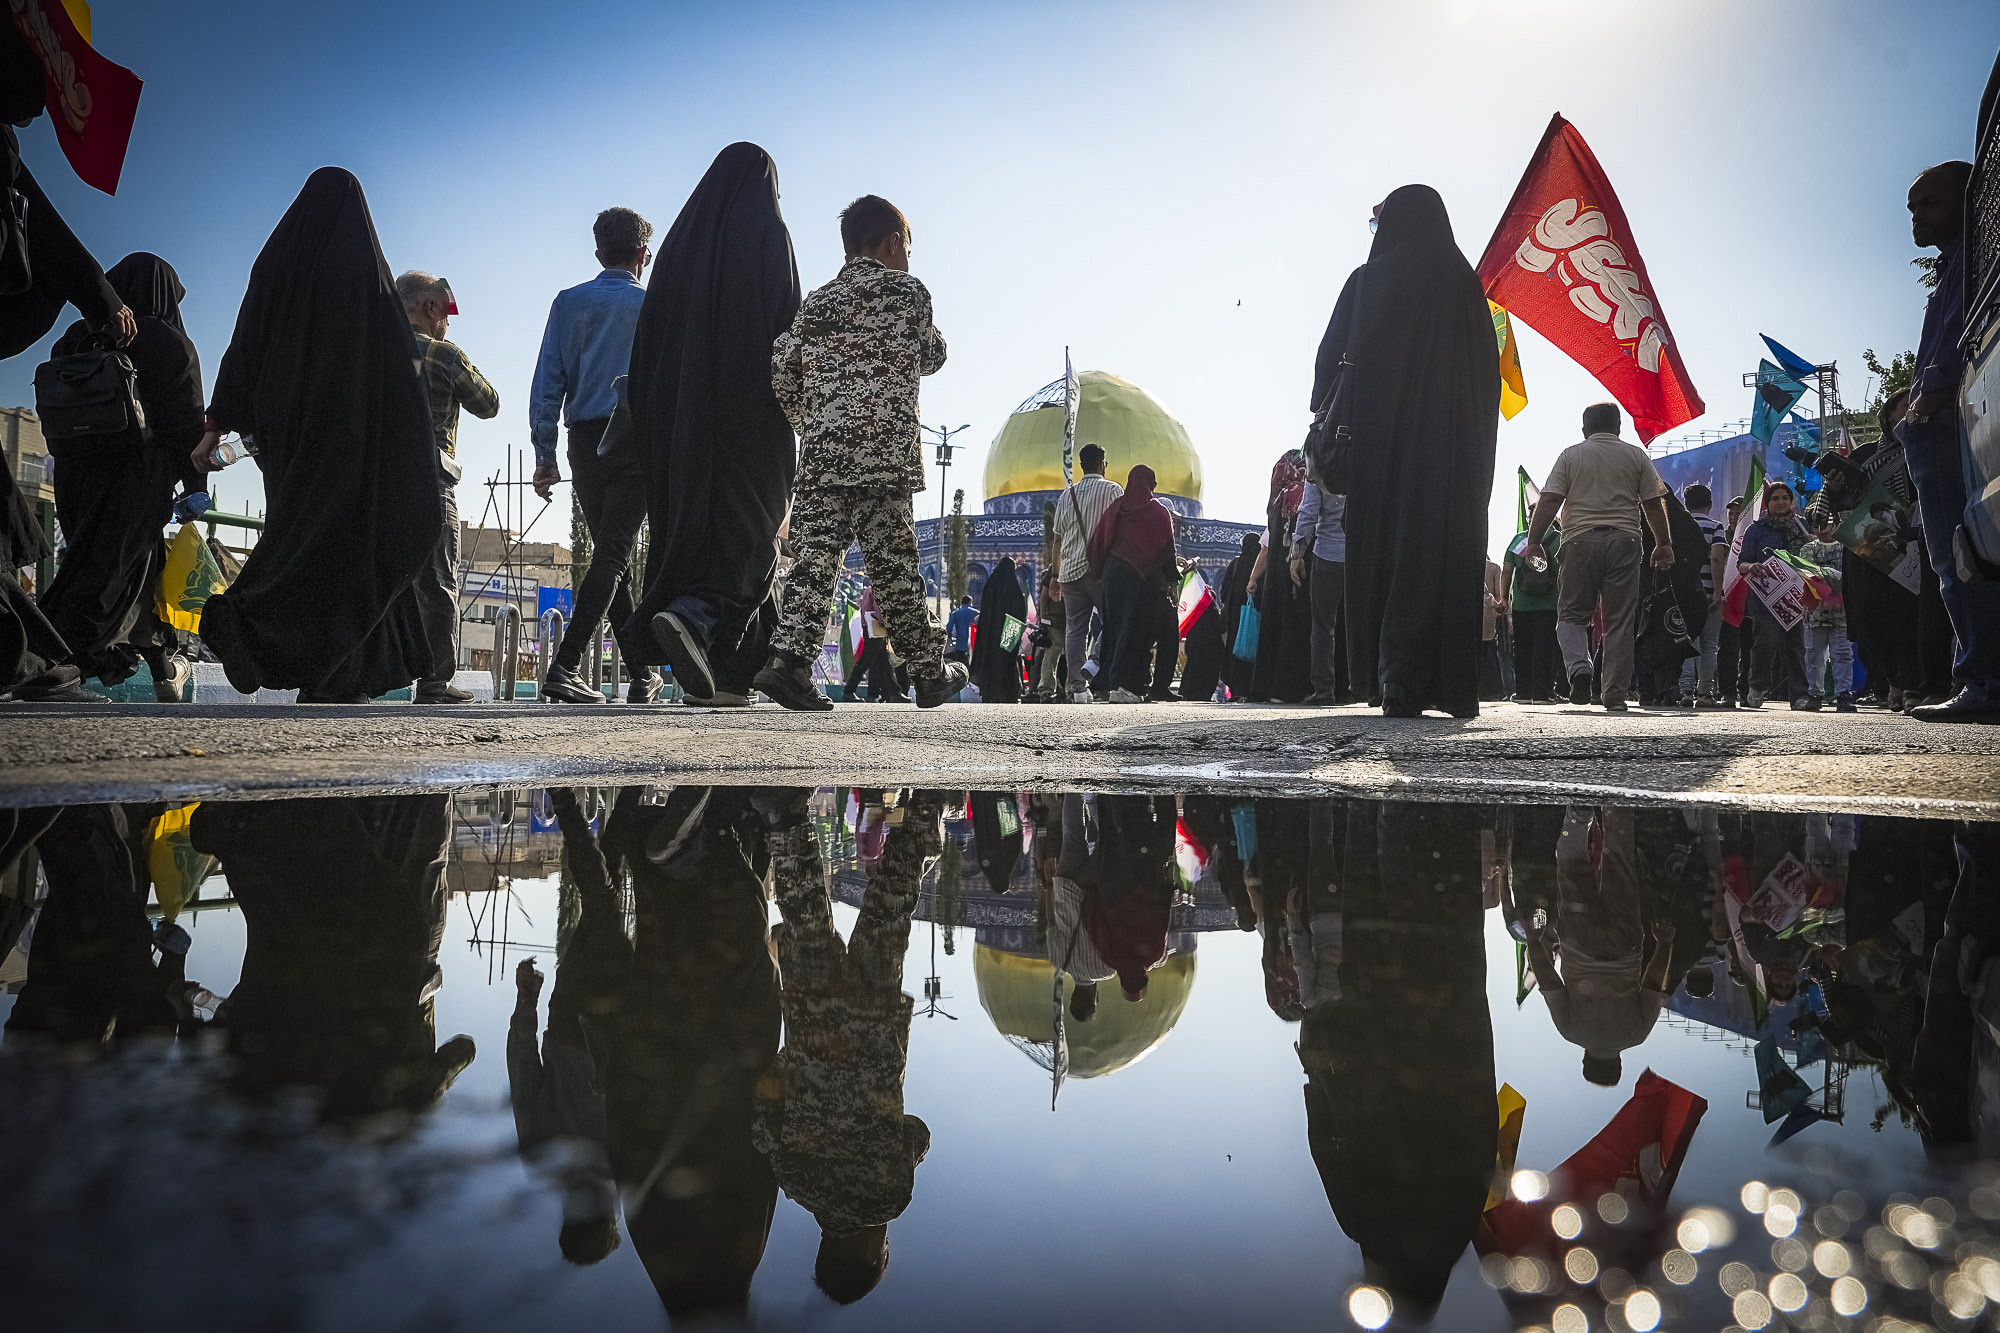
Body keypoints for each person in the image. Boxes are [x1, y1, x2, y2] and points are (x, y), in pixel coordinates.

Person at [191, 169, 441, 703]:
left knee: (303, 537)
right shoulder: (369, 278)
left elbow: (243, 345)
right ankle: (243, 624)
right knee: (357, 544)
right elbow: (402, 379)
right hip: (353, 438)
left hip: (286, 438)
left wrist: (214, 428)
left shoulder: (275, 267)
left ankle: (336, 676)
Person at [757, 195, 968, 711]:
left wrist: (812, 423)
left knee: (812, 564)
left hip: (823, 459)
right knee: (894, 568)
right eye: (907, 248)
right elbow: (933, 355)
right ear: (894, 243)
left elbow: (781, 365)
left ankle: (787, 665)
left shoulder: (817, 303)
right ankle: (928, 672)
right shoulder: (908, 292)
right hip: (883, 461)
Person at [622, 144, 802, 708]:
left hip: (680, 420)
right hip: (752, 417)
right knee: (755, 536)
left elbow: (646, 345)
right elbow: (788, 332)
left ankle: (727, 675)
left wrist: (655, 420)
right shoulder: (769, 234)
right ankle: (694, 616)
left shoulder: (678, 248)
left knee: (697, 535)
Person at [1316, 186, 1499, 717]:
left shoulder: (1365, 282)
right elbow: (1488, 378)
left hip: (1378, 455)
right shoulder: (1465, 284)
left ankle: (1392, 674)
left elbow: (1326, 366)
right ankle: (1448, 684)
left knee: (1385, 550)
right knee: (1440, 553)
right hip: (1450, 460)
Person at [754, 789, 938, 1307]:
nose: (885, 1245)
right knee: (806, 919)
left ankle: (922, 812)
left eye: (882, 1254)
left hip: (874, 1027)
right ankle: (784, 818)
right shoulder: (794, 1181)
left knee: (888, 914)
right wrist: (795, 1061)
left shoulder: (887, 1201)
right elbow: (763, 1114)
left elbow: (916, 1134)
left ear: (866, 1254)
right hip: (813, 1026)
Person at [40, 255, 206, 703]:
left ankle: (162, 668)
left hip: (76, 476)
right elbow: (187, 421)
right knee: (109, 576)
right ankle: (52, 668)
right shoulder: (168, 340)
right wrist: (195, 489)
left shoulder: (75, 336)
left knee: (122, 569)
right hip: (139, 476)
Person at [532, 207, 657, 704]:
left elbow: (548, 383)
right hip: (635, 436)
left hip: (584, 440)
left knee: (611, 553)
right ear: (643, 253)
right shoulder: (653, 304)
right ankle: (564, 666)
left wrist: (544, 453)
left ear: (599, 252)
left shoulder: (567, 303)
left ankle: (641, 674)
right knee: (613, 553)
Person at [1899, 161, 2000, 722]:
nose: (1916, 217)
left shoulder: (1970, 261)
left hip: (1945, 424)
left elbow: (1954, 347)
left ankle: (1982, 681)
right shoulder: (1955, 264)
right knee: (1960, 554)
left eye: (1928, 204)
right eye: (1912, 208)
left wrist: (1920, 410)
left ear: (1967, 200)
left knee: (1958, 555)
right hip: (1947, 422)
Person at [1521, 402, 1677, 713]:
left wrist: (1534, 541)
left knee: (1571, 615)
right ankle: (1614, 695)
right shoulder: (1636, 455)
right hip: (1625, 540)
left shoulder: (1571, 455)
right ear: (1619, 427)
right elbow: (1652, 502)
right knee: (1620, 620)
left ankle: (1579, 669)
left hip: (1579, 540)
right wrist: (1664, 543)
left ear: (1584, 430)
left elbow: (1550, 499)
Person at [397, 270, 498, 704]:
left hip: (374, 484)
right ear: (430, 306)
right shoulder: (443, 354)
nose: (447, 323)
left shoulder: (371, 350)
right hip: (430, 482)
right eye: (446, 314)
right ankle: (435, 682)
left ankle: (348, 679)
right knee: (437, 582)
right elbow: (489, 404)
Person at [1522, 806, 1675, 1088]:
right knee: (1571, 865)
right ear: (1585, 1061)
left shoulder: (1636, 1035)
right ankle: (1579, 815)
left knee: (1620, 862)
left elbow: (1653, 984)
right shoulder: (1571, 1032)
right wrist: (1533, 940)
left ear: (1618, 1063)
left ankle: (1617, 802)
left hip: (1625, 948)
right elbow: (1549, 982)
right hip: (1579, 944)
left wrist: (1664, 943)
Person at [1089, 464, 1177, 705]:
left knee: (1115, 630)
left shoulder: (1117, 507)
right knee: (1137, 632)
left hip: (1114, 576)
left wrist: (1099, 571)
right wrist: (1172, 582)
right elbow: (1167, 549)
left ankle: (1108, 683)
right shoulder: (1158, 512)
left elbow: (1099, 540)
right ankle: (1127, 686)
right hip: (1143, 581)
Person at [1051, 442, 1123, 704]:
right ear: (1103, 464)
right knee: (1115, 623)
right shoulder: (1113, 490)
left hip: (1069, 572)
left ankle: (1079, 690)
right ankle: (1104, 676)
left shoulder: (1066, 496)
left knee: (1075, 630)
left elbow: (1057, 539)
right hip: (1101, 571)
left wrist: (1054, 576)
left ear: (1081, 466)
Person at [1737, 481, 1810, 708]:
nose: (1781, 502)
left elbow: (1814, 560)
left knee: (1796, 647)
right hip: (1765, 598)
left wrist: (1813, 544)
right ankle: (1757, 688)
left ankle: (1799, 695)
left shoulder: (1802, 526)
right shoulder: (1756, 529)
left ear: (1792, 502)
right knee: (1765, 643)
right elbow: (1741, 563)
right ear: (1767, 503)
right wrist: (1752, 567)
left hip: (1796, 597)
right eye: (1775, 498)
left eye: (1785, 498)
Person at [1288, 475, 1345, 705]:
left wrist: (1297, 554)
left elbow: (1309, 512)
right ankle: (1368, 687)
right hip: (1364, 554)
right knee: (1363, 623)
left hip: (1328, 554)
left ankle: (1324, 689)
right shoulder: (1366, 458)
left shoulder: (1320, 463)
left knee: (1323, 625)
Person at [1677, 483, 1731, 707]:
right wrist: (1718, 591)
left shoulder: (1678, 526)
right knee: (1709, 645)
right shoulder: (1716, 527)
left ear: (1685, 504)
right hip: (1708, 593)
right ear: (1709, 504)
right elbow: (1716, 557)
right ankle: (1705, 693)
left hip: (1684, 595)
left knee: (1686, 642)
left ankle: (1685, 691)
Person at [1501, 521, 1562, 701]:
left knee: (1522, 648)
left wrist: (1504, 598)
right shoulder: (1558, 539)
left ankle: (1523, 692)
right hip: (1550, 604)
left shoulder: (1519, 540)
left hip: (1521, 605)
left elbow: (1507, 571)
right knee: (1545, 648)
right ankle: (1543, 693)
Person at [1801, 509, 1854, 711]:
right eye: (1818, 524)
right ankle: (1815, 693)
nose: (1823, 529)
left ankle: (1843, 693)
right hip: (1815, 611)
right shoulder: (1808, 549)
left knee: (1842, 653)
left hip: (1842, 611)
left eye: (1828, 523)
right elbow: (1808, 572)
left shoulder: (1846, 548)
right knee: (1814, 654)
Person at [971, 557, 1027, 703]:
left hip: (990, 635)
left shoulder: (990, 585)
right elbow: (1020, 612)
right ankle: (1008, 693)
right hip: (1008, 634)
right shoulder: (1014, 588)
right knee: (1007, 661)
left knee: (990, 660)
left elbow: (985, 612)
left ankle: (989, 692)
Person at [1218, 531, 1260, 701]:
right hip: (1256, 618)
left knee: (1235, 650)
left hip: (1235, 620)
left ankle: (1236, 691)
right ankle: (1252, 690)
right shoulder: (1261, 567)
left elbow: (1224, 593)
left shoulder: (1236, 564)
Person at [945, 594, 976, 667]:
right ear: (970, 602)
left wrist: (949, 635)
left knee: (960, 661)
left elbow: (949, 627)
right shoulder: (975, 613)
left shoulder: (956, 613)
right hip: (973, 641)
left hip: (960, 642)